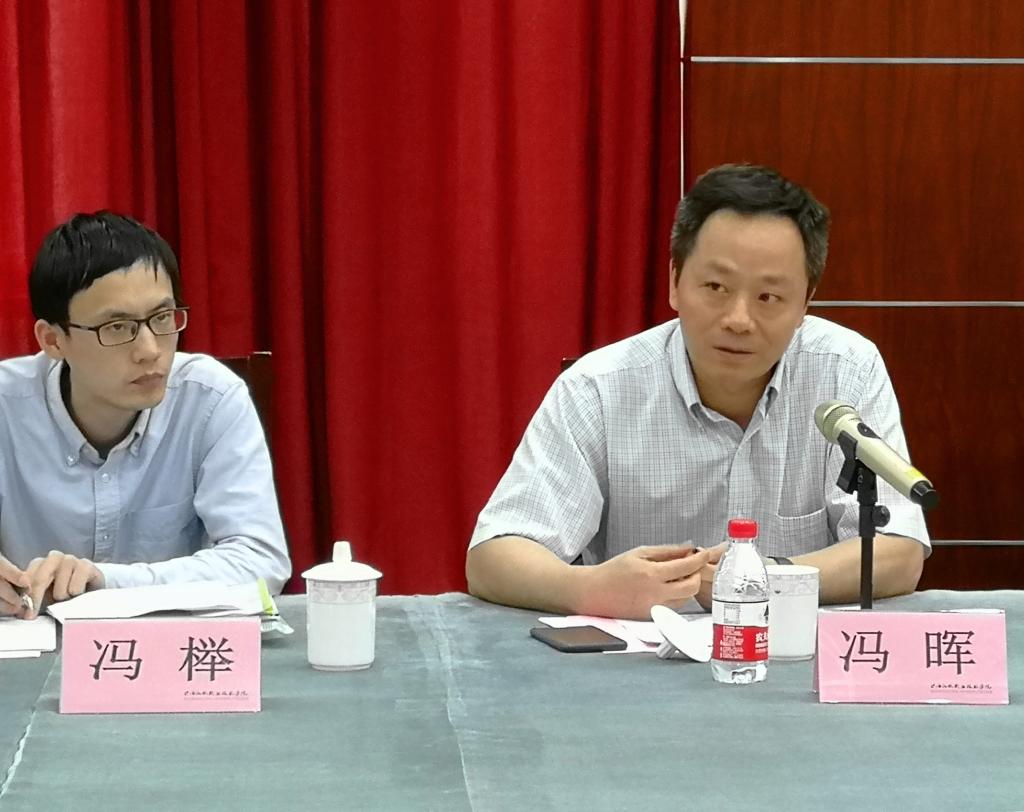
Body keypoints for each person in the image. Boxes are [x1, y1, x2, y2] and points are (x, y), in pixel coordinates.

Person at [466, 163, 929, 620]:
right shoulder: (598, 389)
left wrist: (757, 580)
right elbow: (493, 558)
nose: (738, 319)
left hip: (795, 655)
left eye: (768, 297)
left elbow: (898, 552)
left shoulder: (846, 370)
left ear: (805, 302)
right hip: (638, 660)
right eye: (716, 287)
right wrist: (590, 589)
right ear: (675, 282)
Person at [0, 212, 291, 619]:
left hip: (169, 651)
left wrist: (105, 581)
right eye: (117, 327)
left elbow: (260, 562)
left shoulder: (211, 400)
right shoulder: (6, 407)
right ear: (52, 340)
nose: (150, 350)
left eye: (161, 318)